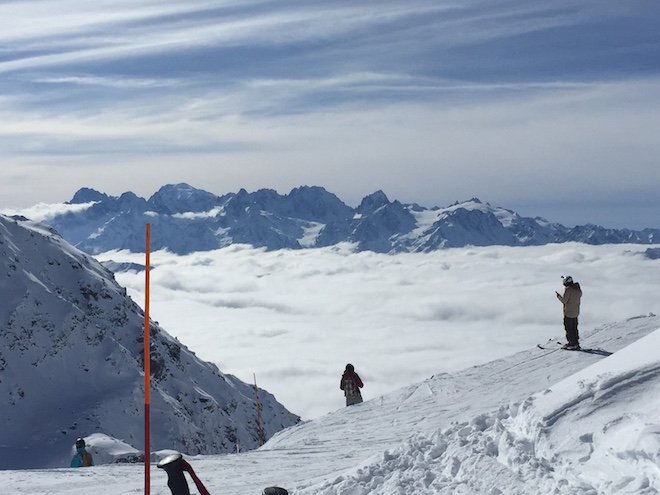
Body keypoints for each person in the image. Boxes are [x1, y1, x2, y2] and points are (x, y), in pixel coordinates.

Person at [556, 275, 582, 350]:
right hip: (575, 312)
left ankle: (572, 343)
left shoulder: (568, 290)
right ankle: (575, 342)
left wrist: (558, 296)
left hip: (569, 313)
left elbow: (564, 300)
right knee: (574, 327)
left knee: (569, 328)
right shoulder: (577, 289)